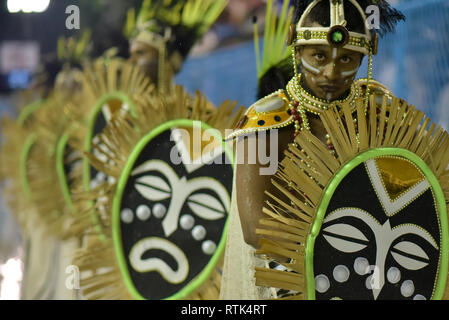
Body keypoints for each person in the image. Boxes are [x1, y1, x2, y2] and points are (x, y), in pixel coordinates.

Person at [220, 0, 408, 299]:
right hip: (291, 280)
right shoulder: (267, 123)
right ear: (296, 48)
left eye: (347, 59)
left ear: (366, 54)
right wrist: (337, 262)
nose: (331, 72)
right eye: (319, 56)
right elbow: (256, 230)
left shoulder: (381, 114)